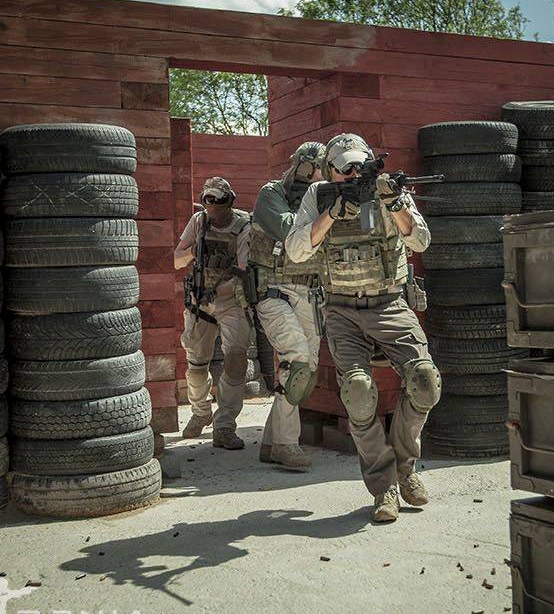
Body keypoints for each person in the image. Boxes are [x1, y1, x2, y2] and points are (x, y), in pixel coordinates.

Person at [284, 134, 442, 522]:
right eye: (346, 168)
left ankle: (404, 467)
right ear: (330, 171)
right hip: (341, 309)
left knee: (425, 382)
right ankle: (383, 485)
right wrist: (333, 214)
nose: (356, 174)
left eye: (360, 166)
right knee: (356, 392)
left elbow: (420, 241)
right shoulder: (319, 196)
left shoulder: (389, 191)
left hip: (389, 302)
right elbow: (296, 249)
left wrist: (396, 204)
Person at [248, 141, 327, 471]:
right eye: (323, 169)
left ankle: (270, 442)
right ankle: (285, 444)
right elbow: (289, 230)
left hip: (309, 292)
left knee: (305, 368)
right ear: (306, 167)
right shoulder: (271, 194)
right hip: (273, 291)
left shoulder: (325, 201)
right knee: (296, 360)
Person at [173, 177, 252, 449]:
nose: (214, 205)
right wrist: (196, 250)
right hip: (199, 302)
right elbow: (176, 259)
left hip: (230, 302)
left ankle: (225, 425)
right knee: (196, 367)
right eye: (209, 200)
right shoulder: (199, 222)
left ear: (230, 199)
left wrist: (218, 291)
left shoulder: (243, 225)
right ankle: (200, 412)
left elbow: (243, 271)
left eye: (219, 200)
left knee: (236, 360)